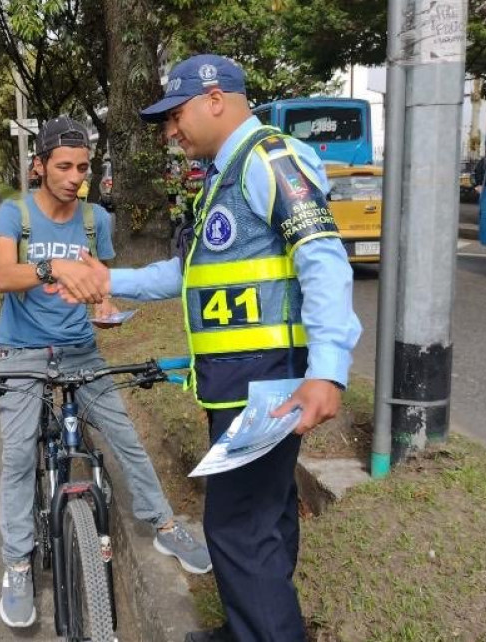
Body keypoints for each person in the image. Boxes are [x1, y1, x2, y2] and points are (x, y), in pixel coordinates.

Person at [54, 55, 361, 642]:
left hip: (265, 383)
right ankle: (251, 626)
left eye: (176, 114)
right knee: (262, 519)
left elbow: (322, 260)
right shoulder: (225, 175)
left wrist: (328, 370)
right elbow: (189, 275)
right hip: (240, 383)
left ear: (215, 98)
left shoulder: (271, 160)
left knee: (238, 527)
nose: (171, 130)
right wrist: (107, 279)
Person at [0, 116, 213, 630]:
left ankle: (163, 524)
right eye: (64, 166)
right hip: (20, 354)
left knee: (124, 436)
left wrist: (103, 306)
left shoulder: (95, 220)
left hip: (80, 351)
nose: (74, 176)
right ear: (40, 165)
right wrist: (51, 268)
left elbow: (101, 282)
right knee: (19, 454)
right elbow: (4, 275)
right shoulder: (14, 214)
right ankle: (18, 564)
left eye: (83, 167)